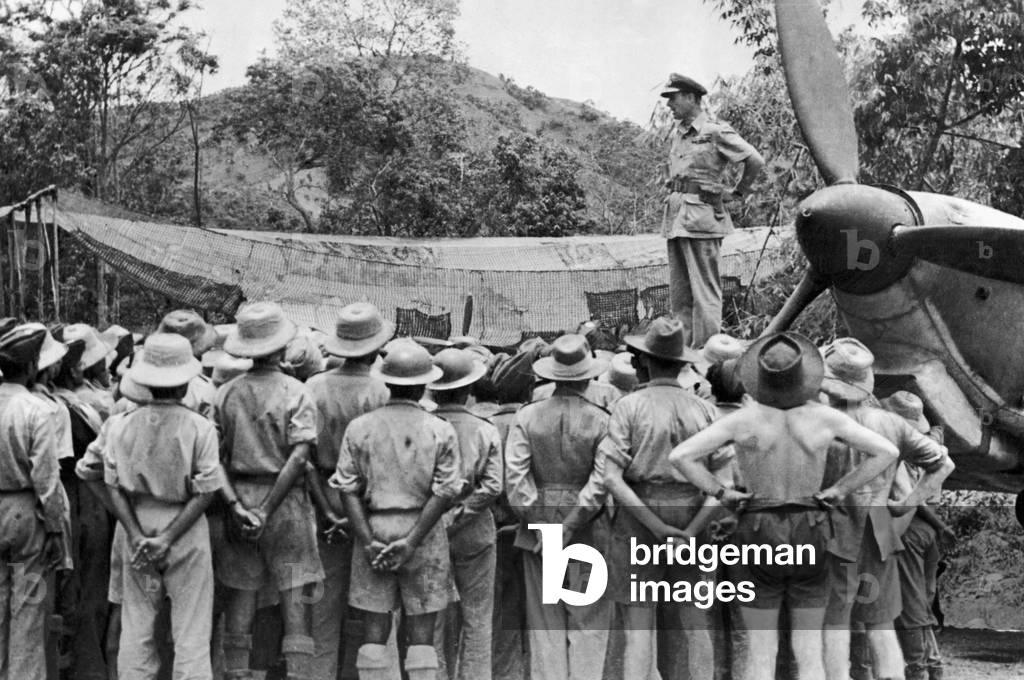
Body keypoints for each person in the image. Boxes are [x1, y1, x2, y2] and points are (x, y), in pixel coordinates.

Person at [670, 332, 899, 680]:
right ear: (804, 376)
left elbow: (681, 456)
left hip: (758, 528)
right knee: (808, 650)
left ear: (759, 378)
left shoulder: (742, 420)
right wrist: (840, 489)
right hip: (813, 527)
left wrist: (721, 492)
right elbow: (887, 452)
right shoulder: (824, 418)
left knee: (762, 648)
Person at [83, 333, 225, 679]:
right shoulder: (200, 427)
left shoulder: (120, 424)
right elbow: (206, 491)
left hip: (136, 522)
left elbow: (95, 475)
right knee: (191, 630)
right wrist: (168, 537)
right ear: (185, 381)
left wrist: (133, 531)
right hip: (185, 525)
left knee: (137, 626)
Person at [602, 318, 730, 680]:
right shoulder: (706, 411)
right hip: (692, 512)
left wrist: (656, 526)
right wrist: (691, 531)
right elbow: (722, 485)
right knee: (692, 617)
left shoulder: (628, 407)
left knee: (639, 620)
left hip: (638, 517)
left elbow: (612, 479)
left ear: (642, 361)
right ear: (682, 363)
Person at [818, 340, 953, 680]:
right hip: (879, 531)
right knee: (879, 623)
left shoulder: (816, 422)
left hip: (831, 531)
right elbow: (944, 463)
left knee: (835, 625)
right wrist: (908, 502)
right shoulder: (891, 424)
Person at [330, 340, 463, 680]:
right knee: (422, 638)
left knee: (373, 633)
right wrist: (413, 541)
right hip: (423, 529)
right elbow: (446, 491)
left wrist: (368, 539)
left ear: (387, 382)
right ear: (423, 385)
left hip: (374, 526)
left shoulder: (361, 427)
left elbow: (347, 488)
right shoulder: (439, 429)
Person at [214, 302, 324, 680]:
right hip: (288, 505)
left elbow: (214, 460)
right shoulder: (297, 392)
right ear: (280, 348)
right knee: (297, 600)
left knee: (241, 599)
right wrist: (268, 508)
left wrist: (238, 507)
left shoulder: (226, 393)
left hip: (240, 495)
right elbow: (299, 459)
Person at [505, 334, 612, 680]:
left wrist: (543, 526)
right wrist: (568, 526)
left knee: (545, 623)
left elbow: (516, 481)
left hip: (538, 531)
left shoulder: (529, 416)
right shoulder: (601, 420)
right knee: (586, 620)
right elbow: (600, 483)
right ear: (588, 375)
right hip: (585, 531)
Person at [305, 302, 394, 680]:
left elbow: (302, 458)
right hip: (372, 503)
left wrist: (327, 509)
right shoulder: (384, 390)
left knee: (320, 607)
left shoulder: (313, 387)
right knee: (375, 605)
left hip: (320, 495)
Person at [660, 72, 764, 347]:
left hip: (702, 217)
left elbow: (755, 160)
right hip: (677, 216)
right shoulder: (680, 134)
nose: (669, 105)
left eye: (674, 98)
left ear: (692, 98)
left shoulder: (715, 131)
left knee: (705, 291)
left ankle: (708, 357)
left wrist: (739, 192)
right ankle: (682, 354)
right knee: (681, 294)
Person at [0, 324, 70, 680]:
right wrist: (56, 530)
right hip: (26, 515)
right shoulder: (35, 409)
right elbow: (46, 477)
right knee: (27, 610)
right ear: (31, 368)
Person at [429, 348, 503, 680]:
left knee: (431, 616)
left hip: (429, 527)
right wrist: (463, 512)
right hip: (475, 531)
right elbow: (493, 486)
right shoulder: (484, 429)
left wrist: (442, 518)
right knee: (478, 617)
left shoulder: (424, 425)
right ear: (468, 389)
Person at [881, 391, 950, 680]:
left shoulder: (894, 449)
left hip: (909, 530)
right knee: (921, 603)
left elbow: (907, 498)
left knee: (909, 607)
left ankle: (918, 670)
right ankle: (933, 666)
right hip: (928, 533)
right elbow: (939, 429)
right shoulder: (930, 445)